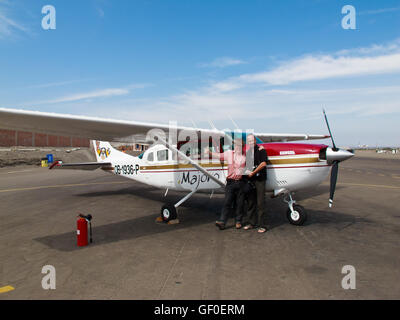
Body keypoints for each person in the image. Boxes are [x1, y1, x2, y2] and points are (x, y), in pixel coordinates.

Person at [206, 138, 246, 230]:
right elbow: (219, 156)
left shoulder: (245, 156)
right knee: (227, 202)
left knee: (240, 203)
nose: (237, 147)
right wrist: (209, 152)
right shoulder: (229, 153)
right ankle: (222, 221)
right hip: (230, 182)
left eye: (239, 145)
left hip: (240, 182)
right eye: (235, 145)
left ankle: (238, 221)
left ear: (242, 147)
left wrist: (261, 148)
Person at [243, 134, 268, 233]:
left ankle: (263, 225)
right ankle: (251, 223)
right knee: (250, 202)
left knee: (261, 202)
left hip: (260, 179)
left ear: (255, 140)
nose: (251, 142)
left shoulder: (261, 150)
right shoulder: (248, 152)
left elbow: (263, 163)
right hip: (251, 180)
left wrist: (253, 172)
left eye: (252, 140)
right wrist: (247, 172)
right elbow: (248, 166)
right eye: (249, 141)